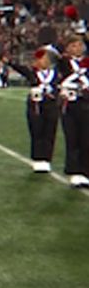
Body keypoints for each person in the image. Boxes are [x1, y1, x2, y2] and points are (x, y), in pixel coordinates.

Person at [5, 47, 60, 173]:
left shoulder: (56, 73)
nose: (42, 61)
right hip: (35, 105)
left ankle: (46, 159)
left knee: (49, 132)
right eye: (40, 59)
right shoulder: (32, 72)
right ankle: (37, 158)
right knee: (36, 131)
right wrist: (8, 61)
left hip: (51, 106)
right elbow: (20, 68)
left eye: (45, 59)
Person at [57, 34, 89, 188]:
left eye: (80, 45)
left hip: (86, 104)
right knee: (72, 138)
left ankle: (85, 172)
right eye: (74, 45)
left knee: (86, 138)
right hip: (69, 106)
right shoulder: (63, 62)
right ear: (68, 48)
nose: (78, 48)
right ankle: (74, 172)